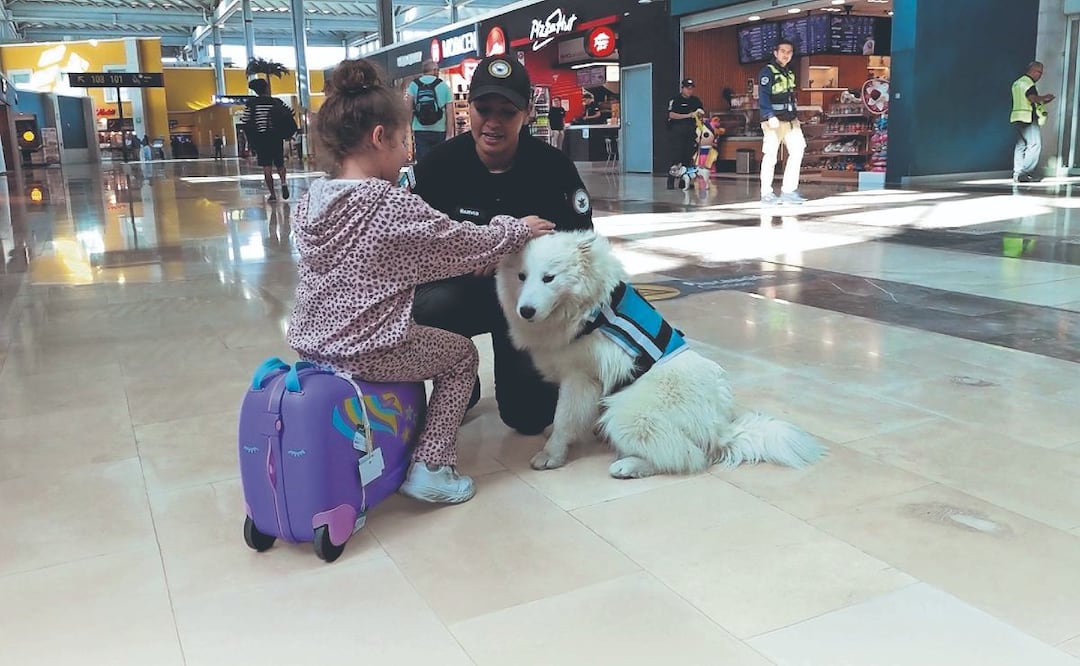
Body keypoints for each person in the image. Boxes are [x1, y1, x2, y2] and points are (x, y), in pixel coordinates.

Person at [286, 58, 555, 504]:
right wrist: (519, 229)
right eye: (402, 141)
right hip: (369, 347)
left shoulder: (313, 198)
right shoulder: (386, 205)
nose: (408, 153)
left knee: (423, 332)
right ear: (379, 138)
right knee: (459, 358)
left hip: (314, 344)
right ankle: (432, 465)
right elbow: (463, 244)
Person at [410, 54, 595, 436]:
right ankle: (458, 378)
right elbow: (415, 248)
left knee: (530, 419)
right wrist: (474, 254)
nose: (493, 122)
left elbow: (579, 246)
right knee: (430, 304)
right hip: (461, 294)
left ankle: (523, 370)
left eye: (506, 112)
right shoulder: (438, 166)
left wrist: (509, 256)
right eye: (483, 109)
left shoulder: (553, 168)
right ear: (469, 108)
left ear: (526, 113)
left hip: (529, 305)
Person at [759, 39, 807, 205]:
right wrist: (769, 115)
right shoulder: (767, 72)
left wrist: (795, 116)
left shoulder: (789, 72)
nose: (786, 55)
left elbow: (790, 96)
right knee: (770, 155)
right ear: (776, 53)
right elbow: (763, 96)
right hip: (773, 121)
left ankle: (789, 191)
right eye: (783, 51)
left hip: (790, 120)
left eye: (789, 52)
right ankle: (766, 193)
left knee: (798, 149)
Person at [241, 78, 297, 201]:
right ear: (266, 88)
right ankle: (283, 183)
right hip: (276, 137)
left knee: (267, 167)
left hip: (261, 139)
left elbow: (244, 121)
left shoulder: (252, 104)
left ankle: (272, 194)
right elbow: (290, 113)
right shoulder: (276, 102)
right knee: (280, 164)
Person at [1011, 61, 1054, 183]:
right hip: (1028, 117)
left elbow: (1024, 99)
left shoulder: (1017, 83)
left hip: (1017, 116)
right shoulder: (1028, 83)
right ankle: (1025, 174)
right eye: (1040, 72)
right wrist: (1045, 97)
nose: (1040, 76)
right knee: (1034, 144)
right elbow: (1032, 98)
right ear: (1033, 71)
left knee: (1021, 146)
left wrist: (1042, 101)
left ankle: (1017, 173)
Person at [407, 59, 453, 162]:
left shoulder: (414, 85)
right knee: (439, 161)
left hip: (420, 129)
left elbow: (408, 108)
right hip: (440, 130)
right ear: (435, 70)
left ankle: (424, 178)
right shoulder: (443, 85)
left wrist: (409, 128)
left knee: (423, 162)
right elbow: (450, 112)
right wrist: (449, 134)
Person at [665, 78, 704, 189]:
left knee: (687, 157)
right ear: (682, 88)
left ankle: (684, 182)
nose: (690, 91)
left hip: (690, 132)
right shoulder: (675, 100)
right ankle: (671, 180)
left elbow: (701, 112)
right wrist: (688, 115)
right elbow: (671, 115)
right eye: (687, 88)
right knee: (677, 157)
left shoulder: (695, 101)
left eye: (691, 89)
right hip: (677, 132)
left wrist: (700, 114)